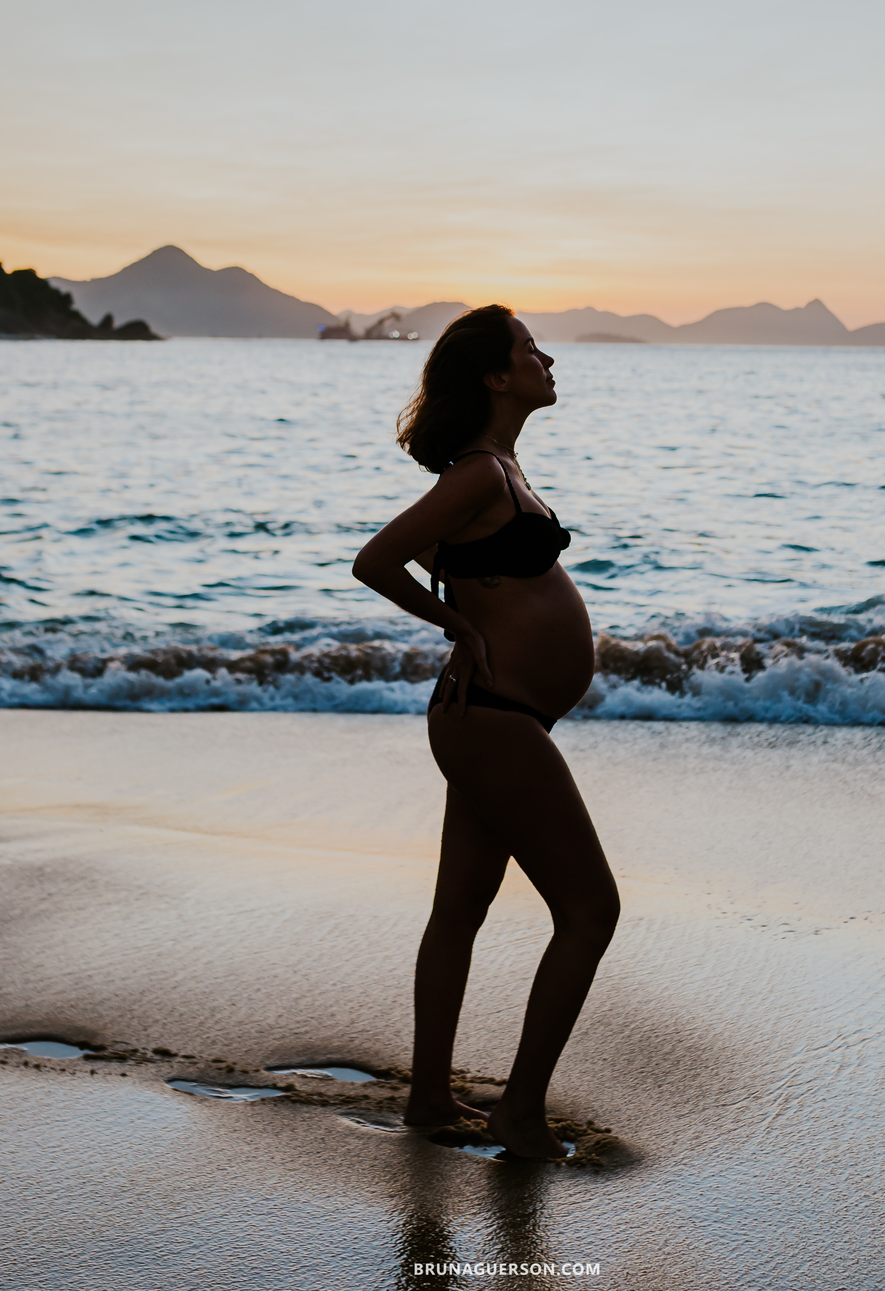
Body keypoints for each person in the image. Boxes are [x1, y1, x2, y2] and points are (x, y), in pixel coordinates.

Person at [352, 305, 619, 1159]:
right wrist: (455, 627)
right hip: (491, 722)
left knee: (460, 911)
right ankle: (518, 1112)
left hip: (494, 721)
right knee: (591, 911)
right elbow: (375, 559)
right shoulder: (477, 476)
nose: (547, 360)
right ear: (496, 378)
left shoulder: (504, 468)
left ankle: (430, 1099)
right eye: (529, 351)